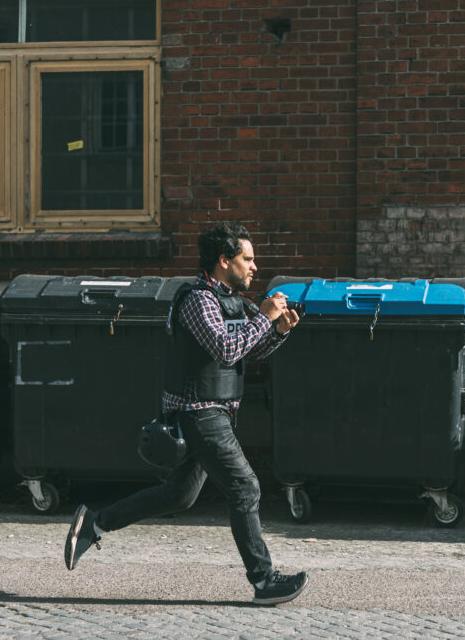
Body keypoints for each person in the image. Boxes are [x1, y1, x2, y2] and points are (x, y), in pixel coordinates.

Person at [64, 222, 309, 605]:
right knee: (245, 487)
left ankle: (95, 522)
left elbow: (246, 351)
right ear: (223, 260)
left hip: (217, 411)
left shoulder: (231, 300)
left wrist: (276, 331)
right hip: (198, 412)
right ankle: (264, 582)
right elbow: (226, 349)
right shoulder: (198, 300)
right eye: (247, 259)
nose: (254, 267)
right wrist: (263, 317)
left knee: (179, 496)